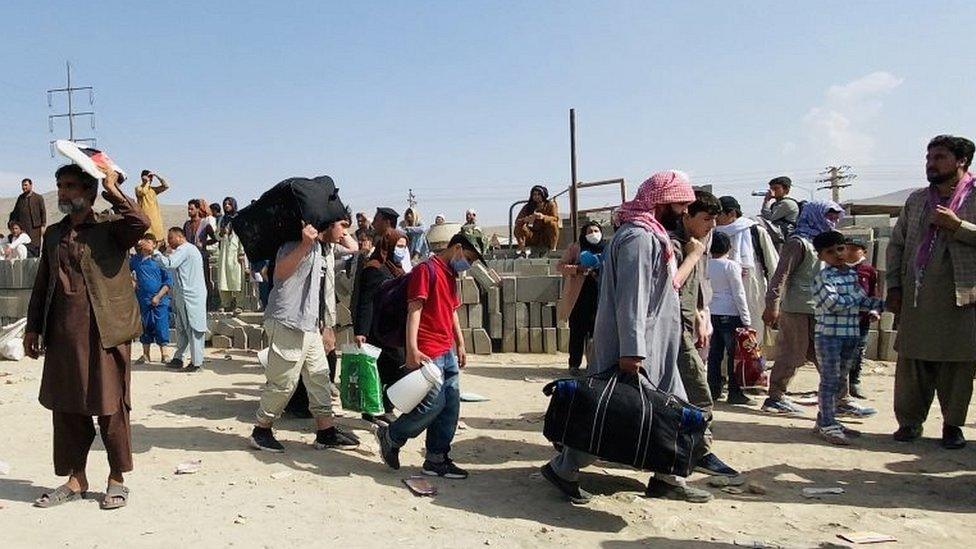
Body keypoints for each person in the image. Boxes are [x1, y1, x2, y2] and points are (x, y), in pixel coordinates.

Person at [541, 170, 712, 505]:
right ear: (662, 201)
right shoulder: (638, 237)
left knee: (670, 409)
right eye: (680, 204)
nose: (684, 212)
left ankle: (668, 478)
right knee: (611, 412)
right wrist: (633, 351)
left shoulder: (652, 234)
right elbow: (631, 297)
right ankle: (565, 468)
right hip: (636, 346)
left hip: (657, 344)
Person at [26, 163, 149, 510]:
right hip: (64, 334)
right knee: (66, 407)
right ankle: (75, 479)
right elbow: (42, 283)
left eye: (70, 186)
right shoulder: (53, 234)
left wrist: (114, 188)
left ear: (89, 192)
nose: (63, 192)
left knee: (111, 407)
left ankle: (117, 479)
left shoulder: (112, 228)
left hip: (106, 332)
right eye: (60, 185)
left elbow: (141, 223)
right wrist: (34, 327)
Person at [374, 228, 489, 479]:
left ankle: (437, 458)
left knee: (450, 405)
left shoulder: (450, 275)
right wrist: (412, 350)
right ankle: (392, 435)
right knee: (432, 404)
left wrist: (460, 343)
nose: (467, 264)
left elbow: (451, 312)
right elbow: (414, 310)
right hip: (428, 350)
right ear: (457, 248)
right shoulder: (426, 270)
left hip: (446, 348)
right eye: (468, 258)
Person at [888, 134, 976, 449]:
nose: (931, 163)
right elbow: (897, 244)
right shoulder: (917, 200)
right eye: (929, 157)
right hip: (916, 295)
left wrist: (958, 226)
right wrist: (894, 286)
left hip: (961, 296)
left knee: (957, 365)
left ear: (961, 161)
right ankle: (910, 424)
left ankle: (952, 426)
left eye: (939, 157)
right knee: (912, 362)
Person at [249, 218, 360, 453]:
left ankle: (326, 432)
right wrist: (303, 244)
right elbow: (279, 272)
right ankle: (261, 430)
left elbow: (353, 249)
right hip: (288, 321)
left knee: (319, 378)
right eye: (341, 226)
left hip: (309, 324)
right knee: (284, 382)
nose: (344, 233)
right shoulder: (294, 243)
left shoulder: (324, 248)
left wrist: (325, 325)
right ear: (328, 225)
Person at [761, 200, 876, 417]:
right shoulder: (798, 243)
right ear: (815, 215)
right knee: (791, 354)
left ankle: (841, 400)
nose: (832, 221)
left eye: (835, 217)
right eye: (828, 216)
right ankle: (775, 397)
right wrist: (772, 305)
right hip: (798, 309)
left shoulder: (824, 245)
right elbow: (781, 276)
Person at [670, 190, 738, 477]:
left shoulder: (698, 243)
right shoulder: (673, 245)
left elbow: (696, 284)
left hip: (686, 324)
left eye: (715, 219)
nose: (712, 225)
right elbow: (672, 284)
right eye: (707, 218)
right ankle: (701, 452)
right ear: (687, 214)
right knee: (699, 393)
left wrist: (699, 314)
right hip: (669, 329)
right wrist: (693, 255)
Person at [810, 230, 884, 445]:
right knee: (829, 381)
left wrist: (880, 305)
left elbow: (860, 303)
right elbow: (834, 304)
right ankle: (827, 425)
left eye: (840, 249)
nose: (838, 255)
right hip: (830, 336)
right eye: (830, 252)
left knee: (840, 380)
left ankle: (826, 420)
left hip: (850, 334)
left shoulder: (852, 275)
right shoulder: (822, 277)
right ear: (821, 256)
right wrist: (860, 295)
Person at [353, 228, 408, 424]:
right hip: (378, 329)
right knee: (384, 370)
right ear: (389, 246)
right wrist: (361, 331)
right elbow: (365, 302)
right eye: (399, 246)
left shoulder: (397, 268)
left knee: (392, 369)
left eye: (404, 246)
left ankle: (383, 407)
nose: (402, 250)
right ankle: (376, 409)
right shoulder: (374, 268)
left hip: (393, 328)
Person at [715, 196, 779, 346]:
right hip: (720, 296)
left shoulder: (755, 231)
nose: (715, 219)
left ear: (731, 213)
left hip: (751, 291)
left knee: (751, 339)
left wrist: (774, 301)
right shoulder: (712, 233)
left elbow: (772, 265)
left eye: (719, 214)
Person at [706, 232, 753, 405]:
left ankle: (713, 390)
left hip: (711, 312)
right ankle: (735, 392)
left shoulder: (705, 264)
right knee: (734, 356)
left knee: (714, 355)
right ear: (728, 247)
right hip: (731, 313)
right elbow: (738, 293)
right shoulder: (731, 266)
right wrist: (746, 319)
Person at [153, 228, 208, 372]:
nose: (169, 241)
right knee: (182, 328)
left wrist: (155, 251)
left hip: (191, 296)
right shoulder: (184, 250)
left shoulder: (185, 249)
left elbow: (168, 263)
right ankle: (179, 358)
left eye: (171, 238)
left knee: (194, 328)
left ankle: (196, 363)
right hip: (182, 295)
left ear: (179, 237)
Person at [557, 221, 605, 375]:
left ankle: (594, 365)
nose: (594, 234)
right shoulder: (575, 248)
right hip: (579, 297)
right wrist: (578, 269)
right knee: (577, 332)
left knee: (597, 333)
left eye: (596, 230)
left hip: (600, 296)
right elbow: (560, 266)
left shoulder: (607, 248)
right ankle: (574, 365)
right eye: (590, 231)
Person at [844, 236, 878, 399]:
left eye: (854, 249)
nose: (850, 252)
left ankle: (854, 383)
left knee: (857, 352)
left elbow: (873, 293)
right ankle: (838, 385)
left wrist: (875, 311)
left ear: (863, 251)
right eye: (847, 248)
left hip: (861, 320)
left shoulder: (868, 270)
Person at [131, 236, 172, 364]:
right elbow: (125, 272)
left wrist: (158, 296)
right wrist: (132, 280)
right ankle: (145, 354)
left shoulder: (159, 260)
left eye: (150, 242)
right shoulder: (135, 260)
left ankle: (164, 354)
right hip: (143, 299)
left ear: (154, 245)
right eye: (146, 241)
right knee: (145, 326)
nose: (148, 244)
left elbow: (168, 281)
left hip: (160, 299)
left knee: (161, 326)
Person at [183, 199, 217, 310]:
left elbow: (215, 239)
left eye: (191, 209)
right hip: (189, 258)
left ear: (197, 209)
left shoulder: (205, 223)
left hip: (202, 256)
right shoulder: (187, 225)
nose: (189, 211)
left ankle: (209, 304)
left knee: (205, 280)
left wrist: (204, 243)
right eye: (188, 209)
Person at [216, 197, 246, 312]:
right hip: (224, 252)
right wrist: (221, 233)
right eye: (225, 204)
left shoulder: (239, 218)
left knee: (237, 278)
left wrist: (241, 252)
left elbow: (242, 237)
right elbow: (217, 236)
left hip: (236, 253)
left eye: (229, 204)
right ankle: (225, 303)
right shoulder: (222, 219)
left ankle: (240, 304)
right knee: (223, 277)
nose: (227, 206)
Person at [514, 185, 560, 257]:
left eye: (539, 194)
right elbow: (517, 221)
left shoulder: (550, 205)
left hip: (545, 236)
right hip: (532, 236)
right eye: (534, 194)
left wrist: (543, 217)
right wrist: (525, 220)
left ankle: (553, 249)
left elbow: (555, 218)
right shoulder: (528, 207)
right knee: (519, 226)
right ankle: (522, 249)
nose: (536, 196)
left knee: (553, 224)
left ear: (543, 195)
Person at [759, 176, 801, 246]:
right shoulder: (776, 203)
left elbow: (769, 218)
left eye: (776, 188)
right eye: (771, 189)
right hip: (779, 232)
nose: (773, 191)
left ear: (786, 190)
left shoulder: (787, 203)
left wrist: (766, 201)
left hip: (785, 233)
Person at [9, 177, 45, 257]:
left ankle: (35, 263)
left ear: (31, 185)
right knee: (23, 245)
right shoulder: (20, 198)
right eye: (22, 186)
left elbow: (43, 212)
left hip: (35, 228)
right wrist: (11, 223)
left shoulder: (38, 198)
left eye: (25, 185)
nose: (24, 187)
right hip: (23, 227)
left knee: (35, 246)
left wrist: (43, 225)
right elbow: (15, 212)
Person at [134, 170, 170, 242]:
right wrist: (147, 182)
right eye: (149, 177)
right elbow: (143, 192)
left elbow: (166, 186)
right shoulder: (138, 188)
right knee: (147, 241)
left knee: (158, 240)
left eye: (151, 177)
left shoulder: (153, 190)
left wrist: (157, 176)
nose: (150, 179)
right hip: (145, 220)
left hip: (155, 220)